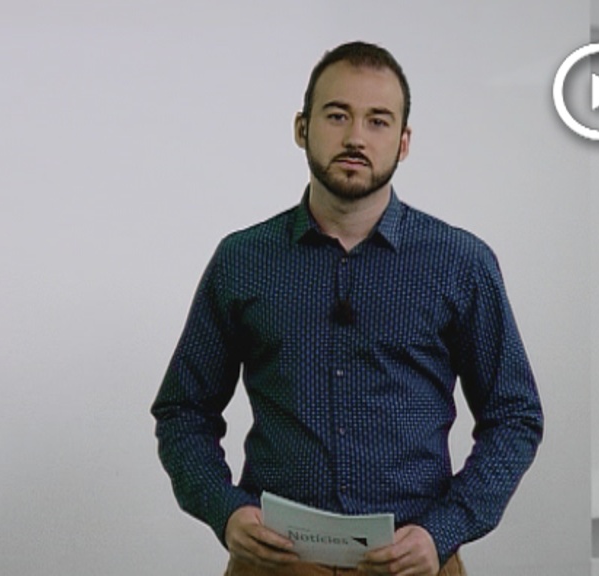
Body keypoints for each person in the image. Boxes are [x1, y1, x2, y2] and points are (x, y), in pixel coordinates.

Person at [151, 41, 543, 576]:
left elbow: (514, 416)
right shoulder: (242, 260)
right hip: (274, 563)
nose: (356, 137)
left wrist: (443, 531)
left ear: (403, 142)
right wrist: (226, 511)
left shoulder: (461, 263)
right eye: (337, 115)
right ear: (301, 128)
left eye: (378, 121)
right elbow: (182, 411)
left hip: (412, 563)